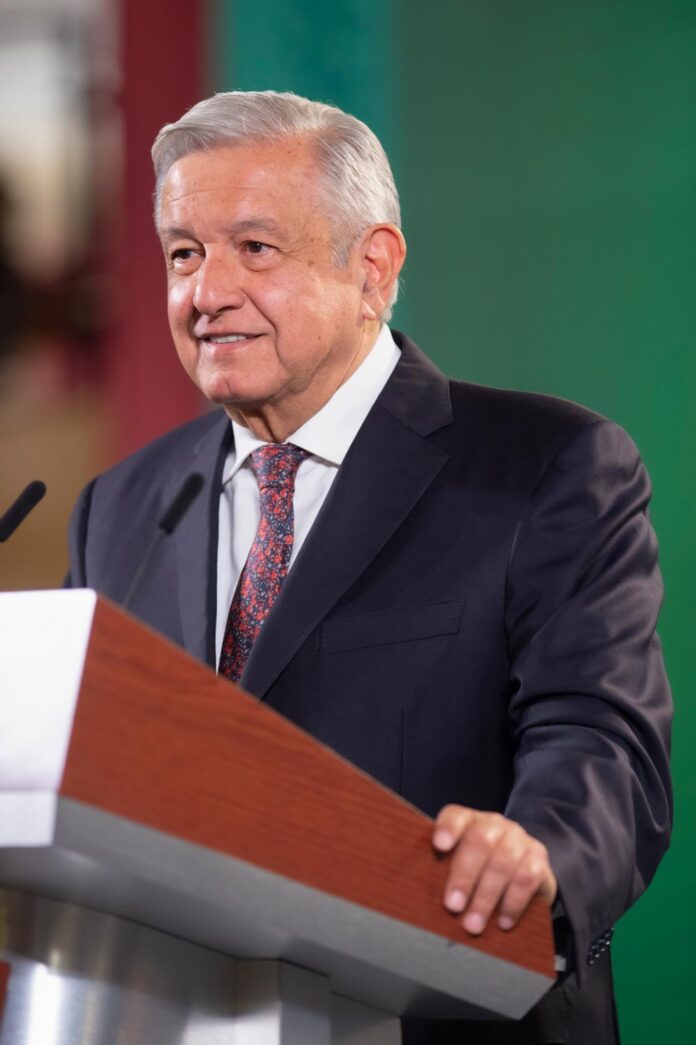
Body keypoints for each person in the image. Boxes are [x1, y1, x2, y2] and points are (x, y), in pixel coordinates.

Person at [66, 91, 672, 1043]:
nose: (205, 291)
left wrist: (538, 849)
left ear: (373, 268)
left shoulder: (544, 468)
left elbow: (601, 739)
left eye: (254, 248)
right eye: (183, 253)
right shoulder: (122, 507)